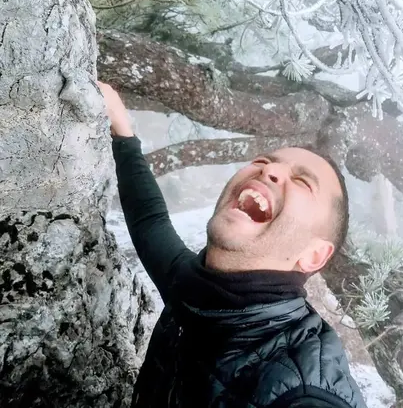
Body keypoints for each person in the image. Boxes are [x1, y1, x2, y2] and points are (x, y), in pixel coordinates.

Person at [99, 81, 367, 408]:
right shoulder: (196, 288)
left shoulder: (305, 392)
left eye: (301, 181)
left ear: (314, 255)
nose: (270, 169)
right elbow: (150, 222)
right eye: (264, 160)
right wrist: (122, 131)